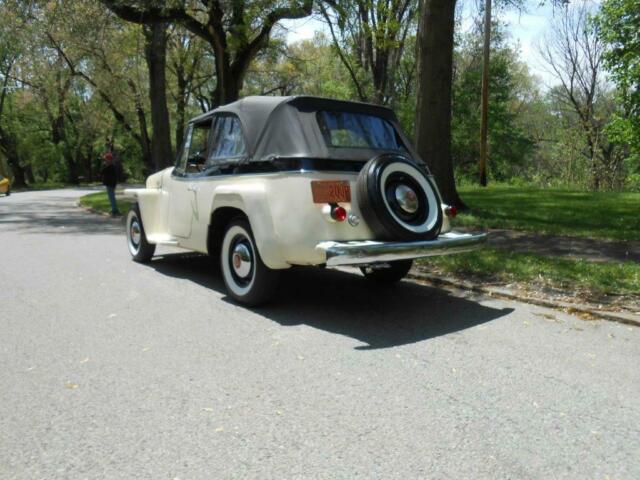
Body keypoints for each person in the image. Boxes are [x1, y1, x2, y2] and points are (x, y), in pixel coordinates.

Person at [101, 151, 120, 217]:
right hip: (110, 184)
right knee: (111, 197)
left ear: (109, 160)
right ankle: (113, 209)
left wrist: (105, 165)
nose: (105, 161)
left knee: (112, 197)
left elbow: (103, 172)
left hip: (110, 184)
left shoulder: (111, 167)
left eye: (106, 159)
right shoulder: (110, 166)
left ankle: (115, 210)